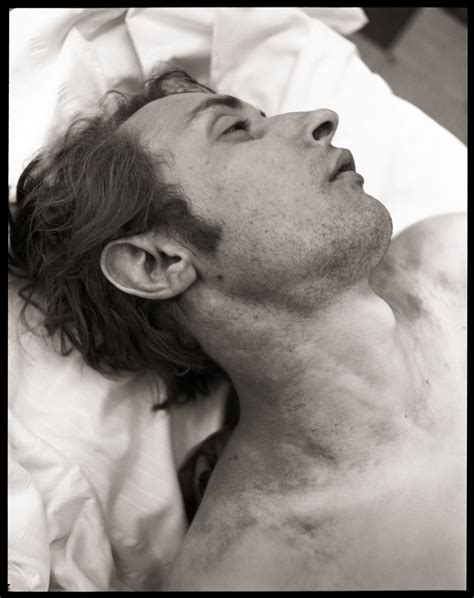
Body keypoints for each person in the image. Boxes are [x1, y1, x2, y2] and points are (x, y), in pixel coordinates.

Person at [9, 66, 466, 590]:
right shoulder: (254, 570)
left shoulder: (448, 254)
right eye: (236, 131)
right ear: (156, 264)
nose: (321, 119)